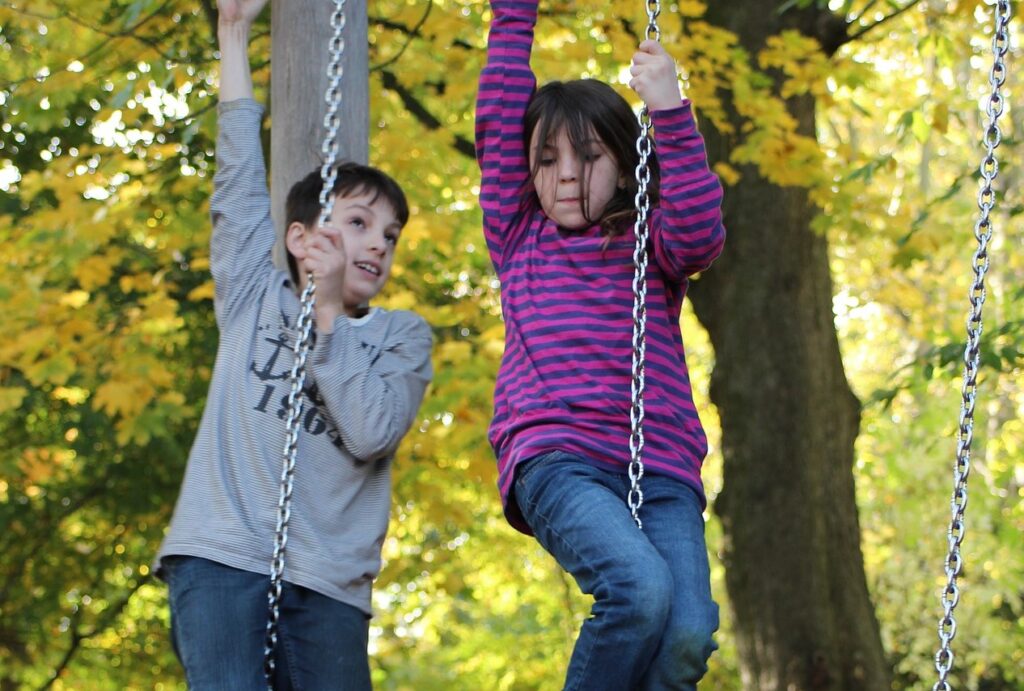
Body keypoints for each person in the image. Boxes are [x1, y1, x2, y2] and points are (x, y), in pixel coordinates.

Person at [154, 0, 433, 688]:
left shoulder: (402, 336)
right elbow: (239, 177)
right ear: (301, 239)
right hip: (222, 556)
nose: (377, 242)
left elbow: (371, 431)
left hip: (330, 582)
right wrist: (234, 34)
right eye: (360, 221)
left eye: (390, 234)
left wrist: (332, 316)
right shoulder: (255, 290)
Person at [475, 0, 725, 688]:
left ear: (627, 164)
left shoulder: (651, 242)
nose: (564, 175)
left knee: (687, 632)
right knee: (638, 590)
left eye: (587, 158)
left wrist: (669, 109)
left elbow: (703, 228)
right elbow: (499, 111)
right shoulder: (518, 234)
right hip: (560, 456)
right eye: (546, 159)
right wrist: (513, 14)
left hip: (663, 467)